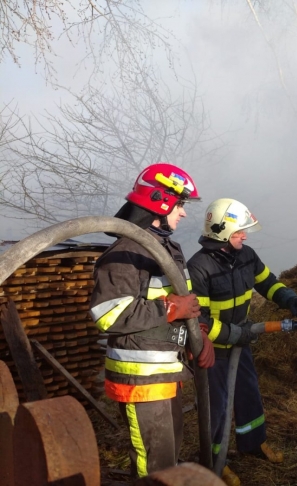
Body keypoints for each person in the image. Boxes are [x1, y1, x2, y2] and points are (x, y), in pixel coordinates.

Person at [89, 163, 215, 478]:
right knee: (154, 465)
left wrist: (196, 334)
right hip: (141, 378)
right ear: (160, 200)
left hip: (166, 372)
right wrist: (169, 310)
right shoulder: (126, 253)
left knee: (169, 456)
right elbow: (108, 314)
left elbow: (183, 301)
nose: (183, 213)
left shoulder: (168, 249)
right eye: (180, 204)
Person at [187, 198, 297, 486]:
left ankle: (253, 444)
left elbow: (266, 282)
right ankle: (214, 462)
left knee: (248, 393)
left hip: (240, 343)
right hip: (212, 350)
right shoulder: (198, 267)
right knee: (215, 407)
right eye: (240, 231)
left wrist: (288, 297)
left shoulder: (246, 255)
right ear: (222, 231)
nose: (245, 236)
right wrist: (233, 334)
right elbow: (200, 321)